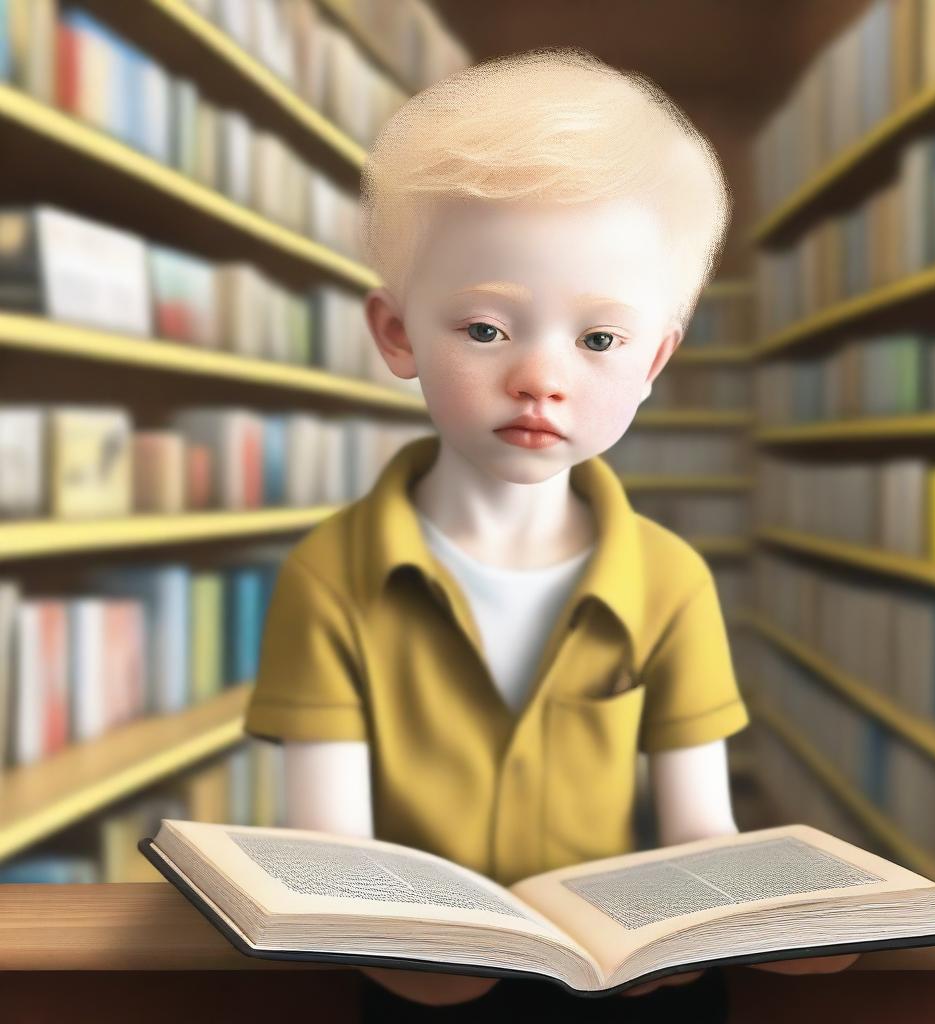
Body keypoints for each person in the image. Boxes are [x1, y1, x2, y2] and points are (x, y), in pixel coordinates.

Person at [243, 47, 859, 1018]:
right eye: (486, 329)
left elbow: (700, 823)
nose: (541, 376)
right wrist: (400, 951)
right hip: (413, 992)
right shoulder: (331, 576)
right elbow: (329, 847)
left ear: (654, 356)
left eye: (598, 339)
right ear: (397, 332)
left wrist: (751, 927)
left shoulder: (668, 578)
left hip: (632, 987)